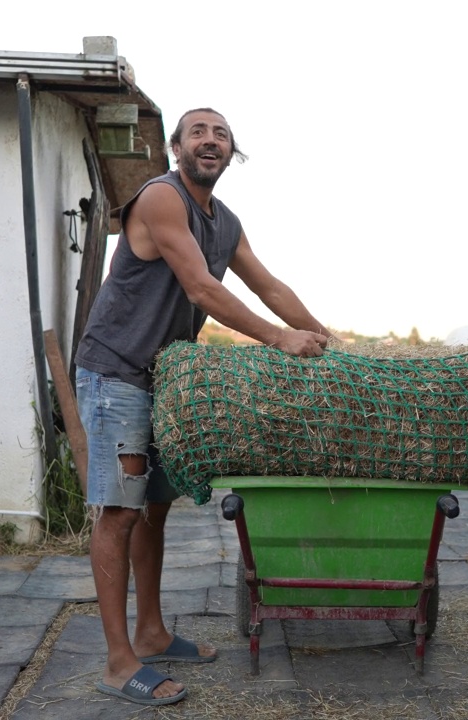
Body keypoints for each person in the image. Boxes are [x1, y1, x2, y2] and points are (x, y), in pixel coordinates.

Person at [74, 107, 332, 706]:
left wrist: (322, 335)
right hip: (116, 372)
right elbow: (203, 289)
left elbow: (267, 286)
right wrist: (278, 338)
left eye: (220, 134)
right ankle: (118, 663)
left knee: (155, 507)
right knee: (119, 511)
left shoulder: (226, 222)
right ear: (177, 148)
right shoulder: (162, 199)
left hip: (164, 378)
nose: (210, 141)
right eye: (198, 132)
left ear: (230, 153)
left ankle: (152, 632)